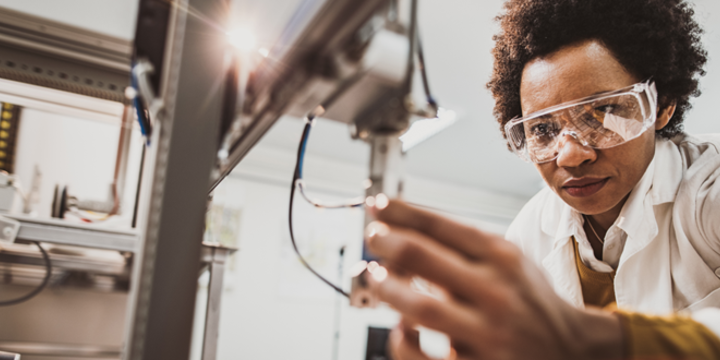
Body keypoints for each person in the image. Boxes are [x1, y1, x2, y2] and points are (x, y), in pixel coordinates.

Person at [362, 0, 720, 359]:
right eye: (544, 129)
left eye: (604, 111)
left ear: (661, 106)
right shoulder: (529, 233)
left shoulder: (709, 192)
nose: (569, 155)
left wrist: (583, 337)